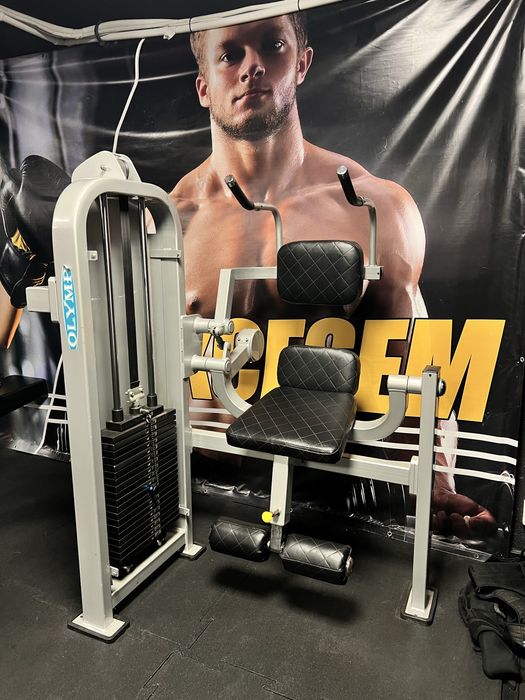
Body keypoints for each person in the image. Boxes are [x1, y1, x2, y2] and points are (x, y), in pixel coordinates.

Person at [170, 13, 496, 539]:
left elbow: (414, 362)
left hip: (331, 486)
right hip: (201, 482)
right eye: (230, 54)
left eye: (272, 45)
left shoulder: (376, 207)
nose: (252, 66)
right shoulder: (169, 220)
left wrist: (435, 482)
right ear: (204, 86)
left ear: (302, 63)